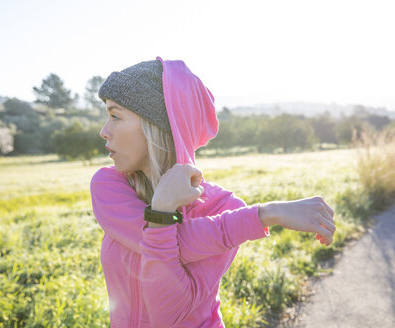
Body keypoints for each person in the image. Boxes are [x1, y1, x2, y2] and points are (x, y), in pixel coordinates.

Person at [90, 56, 336, 328]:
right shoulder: (109, 186)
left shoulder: (224, 208)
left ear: (157, 126)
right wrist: (265, 214)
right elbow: (177, 243)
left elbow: (170, 315)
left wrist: (161, 213)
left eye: (115, 116)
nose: (104, 131)